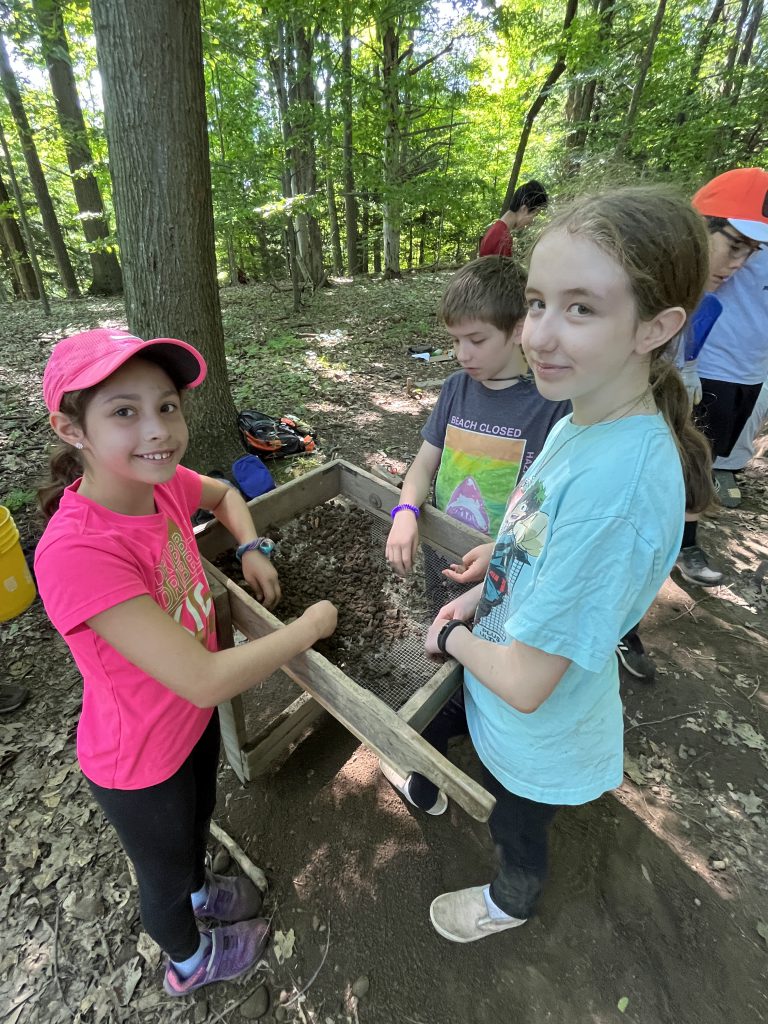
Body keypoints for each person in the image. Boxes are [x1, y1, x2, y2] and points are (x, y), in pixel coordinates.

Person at [406, 187, 713, 943]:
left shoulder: (620, 485)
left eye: (581, 309)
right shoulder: (587, 416)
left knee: (517, 821)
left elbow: (525, 682)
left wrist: (449, 640)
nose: (541, 334)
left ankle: (510, 901)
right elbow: (543, 521)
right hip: (510, 674)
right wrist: (496, 565)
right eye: (538, 303)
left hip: (537, 729)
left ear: (656, 327)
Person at [34, 329, 337, 995]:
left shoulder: (162, 484)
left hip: (187, 725)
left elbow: (227, 495)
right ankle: (188, 961)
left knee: (200, 818)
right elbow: (203, 679)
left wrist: (256, 547)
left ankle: (202, 889)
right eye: (124, 411)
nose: (158, 430)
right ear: (71, 428)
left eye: (167, 406)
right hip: (138, 759)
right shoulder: (78, 552)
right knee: (162, 875)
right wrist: (310, 628)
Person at [676, 168, 768, 583]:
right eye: (735, 247)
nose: (738, 264)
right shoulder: (672, 273)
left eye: (751, 251)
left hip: (748, 372)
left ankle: (678, 543)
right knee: (688, 459)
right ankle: (681, 544)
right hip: (707, 370)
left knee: (702, 459)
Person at [478, 180, 548, 258]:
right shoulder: (503, 239)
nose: (531, 221)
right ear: (524, 209)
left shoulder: (496, 230)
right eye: (534, 214)